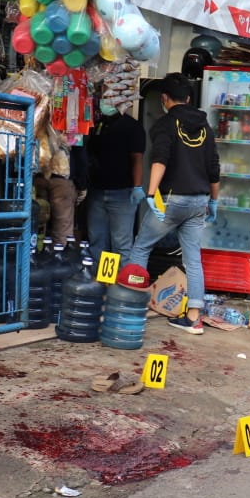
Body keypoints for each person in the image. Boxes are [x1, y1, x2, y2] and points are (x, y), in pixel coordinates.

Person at [126, 73, 220, 335]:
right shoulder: (205, 127)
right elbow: (214, 168)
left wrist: (150, 192)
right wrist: (214, 200)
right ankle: (193, 318)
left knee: (142, 247)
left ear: (164, 99)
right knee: (193, 259)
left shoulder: (164, 124)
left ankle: (131, 307)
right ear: (189, 99)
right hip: (199, 201)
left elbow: (160, 159)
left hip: (170, 199)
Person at [85, 94, 146, 261]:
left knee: (121, 244)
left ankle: (119, 286)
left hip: (123, 194)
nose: (105, 102)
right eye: (105, 98)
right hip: (97, 191)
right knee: (97, 241)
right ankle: (100, 284)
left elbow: (137, 158)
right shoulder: (99, 125)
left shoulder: (132, 126)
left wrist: (137, 186)